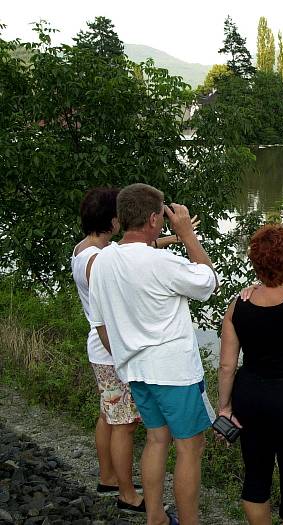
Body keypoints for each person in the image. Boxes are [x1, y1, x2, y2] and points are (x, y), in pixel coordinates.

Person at [88, 183, 217, 525]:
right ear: (153, 220)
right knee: (190, 448)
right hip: (173, 372)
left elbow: (100, 324)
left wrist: (123, 356)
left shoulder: (102, 261)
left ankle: (155, 518)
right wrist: (187, 234)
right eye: (161, 216)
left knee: (157, 439)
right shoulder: (162, 262)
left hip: (135, 370)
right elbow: (207, 282)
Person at [217, 224, 283, 525]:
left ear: (254, 261)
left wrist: (225, 408)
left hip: (250, 398)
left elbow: (227, 366)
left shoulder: (237, 306)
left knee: (256, 480)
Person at [71, 187, 144, 513]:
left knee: (109, 415)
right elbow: (112, 308)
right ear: (113, 221)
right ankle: (127, 494)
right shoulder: (99, 261)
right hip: (111, 350)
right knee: (124, 423)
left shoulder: (84, 249)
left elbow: (132, 251)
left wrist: (172, 240)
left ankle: (108, 477)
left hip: (101, 349)